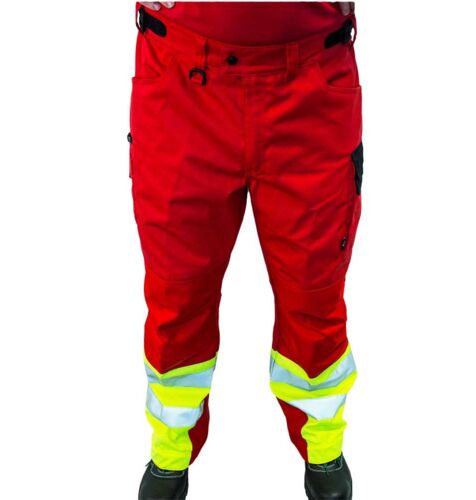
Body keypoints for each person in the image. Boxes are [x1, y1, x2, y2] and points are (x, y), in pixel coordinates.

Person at [129, 2, 362, 499]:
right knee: (177, 290)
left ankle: (322, 443)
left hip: (310, 84)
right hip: (181, 79)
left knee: (313, 288)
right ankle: (170, 447)